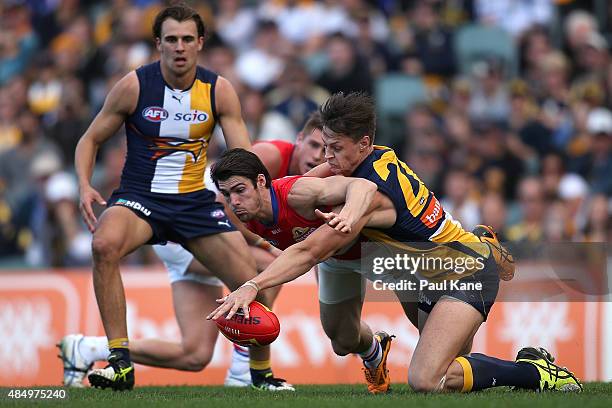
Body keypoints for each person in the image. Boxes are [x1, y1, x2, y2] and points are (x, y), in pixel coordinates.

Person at [208, 92, 582, 394]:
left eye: (335, 148)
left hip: (463, 271)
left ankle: (535, 373)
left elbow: (316, 243)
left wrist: (254, 284)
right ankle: (479, 243)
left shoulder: (370, 193)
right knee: (453, 370)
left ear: (363, 143)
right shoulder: (366, 158)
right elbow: (329, 183)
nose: (326, 157)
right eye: (325, 146)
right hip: (414, 273)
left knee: (426, 379)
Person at [72, 4, 290, 391]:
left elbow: (241, 157)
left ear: (200, 43)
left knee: (254, 281)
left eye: (187, 39)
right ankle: (120, 362)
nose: (179, 47)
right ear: (158, 44)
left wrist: (249, 197)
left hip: (195, 204)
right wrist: (84, 185)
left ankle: (260, 376)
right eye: (171, 39)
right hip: (140, 200)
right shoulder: (134, 85)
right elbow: (89, 138)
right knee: (103, 244)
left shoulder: (218, 89)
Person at [58, 110, 326, 389]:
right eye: (314, 145)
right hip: (190, 230)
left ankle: (87, 348)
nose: (319, 156)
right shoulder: (269, 156)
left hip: (201, 239)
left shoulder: (312, 180)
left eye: (326, 149)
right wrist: (264, 244)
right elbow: (228, 205)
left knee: (194, 354)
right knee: (267, 269)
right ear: (299, 139)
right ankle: (249, 371)